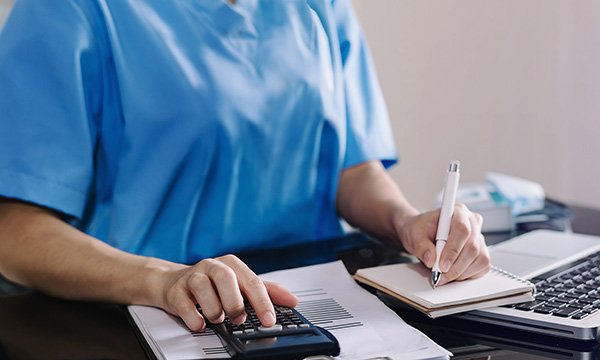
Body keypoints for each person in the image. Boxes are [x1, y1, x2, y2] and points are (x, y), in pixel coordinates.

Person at [0, 0, 490, 332]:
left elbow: (348, 167)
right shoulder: (72, 11)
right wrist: (163, 279)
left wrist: (406, 223)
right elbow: (14, 231)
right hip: (136, 313)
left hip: (305, 307)